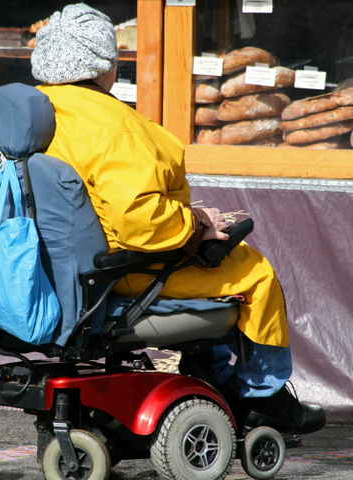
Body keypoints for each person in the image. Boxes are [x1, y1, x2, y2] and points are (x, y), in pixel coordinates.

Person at [30, 2, 325, 435]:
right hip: (124, 272)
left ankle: (210, 377)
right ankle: (263, 400)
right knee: (254, 273)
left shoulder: (40, 110)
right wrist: (197, 226)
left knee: (217, 264)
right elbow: (142, 223)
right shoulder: (112, 126)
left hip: (62, 268)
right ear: (102, 64)